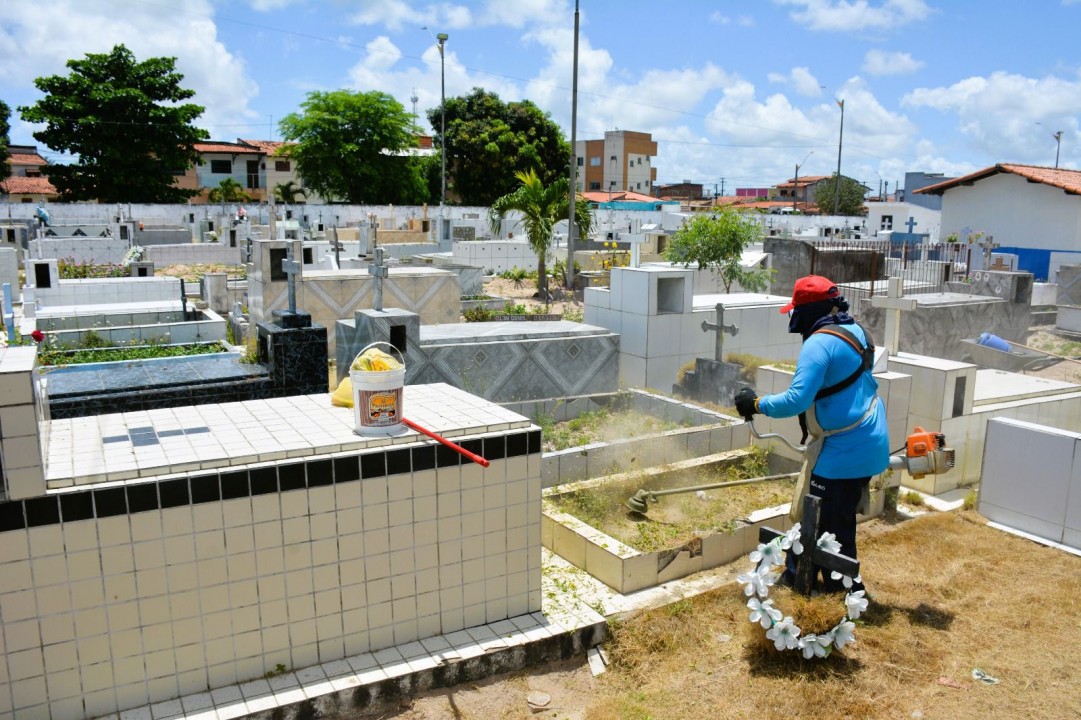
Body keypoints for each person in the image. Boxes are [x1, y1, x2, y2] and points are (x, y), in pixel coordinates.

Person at [734, 275, 889, 592]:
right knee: (824, 516)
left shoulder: (819, 343)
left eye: (796, 310)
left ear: (806, 311)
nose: (793, 318)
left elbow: (797, 400)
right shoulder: (855, 330)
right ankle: (797, 578)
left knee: (828, 525)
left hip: (844, 448)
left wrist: (756, 403)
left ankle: (843, 593)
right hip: (869, 437)